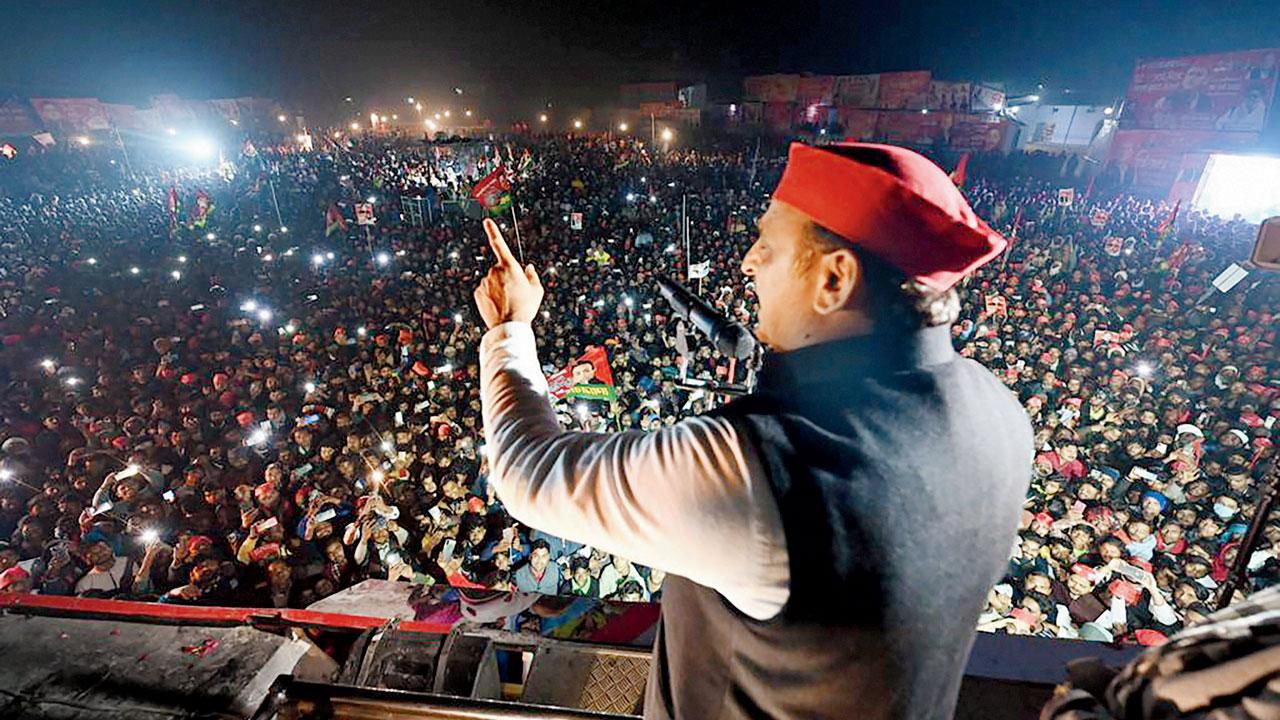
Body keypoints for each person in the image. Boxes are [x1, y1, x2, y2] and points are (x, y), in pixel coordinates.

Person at [475, 142, 1034, 719]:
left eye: (768, 242)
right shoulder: (1002, 414)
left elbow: (528, 472)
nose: (747, 261)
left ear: (834, 278)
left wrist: (510, 330)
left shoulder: (763, 463)